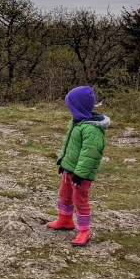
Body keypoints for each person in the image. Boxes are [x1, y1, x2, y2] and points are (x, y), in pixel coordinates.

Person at [46, 85, 110, 247]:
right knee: (64, 195)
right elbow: (68, 145)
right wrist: (62, 162)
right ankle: (65, 220)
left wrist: (80, 175)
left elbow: (90, 155)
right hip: (69, 169)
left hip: (80, 174)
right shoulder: (75, 123)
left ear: (79, 106)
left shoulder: (92, 130)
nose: (69, 109)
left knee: (79, 200)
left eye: (71, 105)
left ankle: (83, 231)